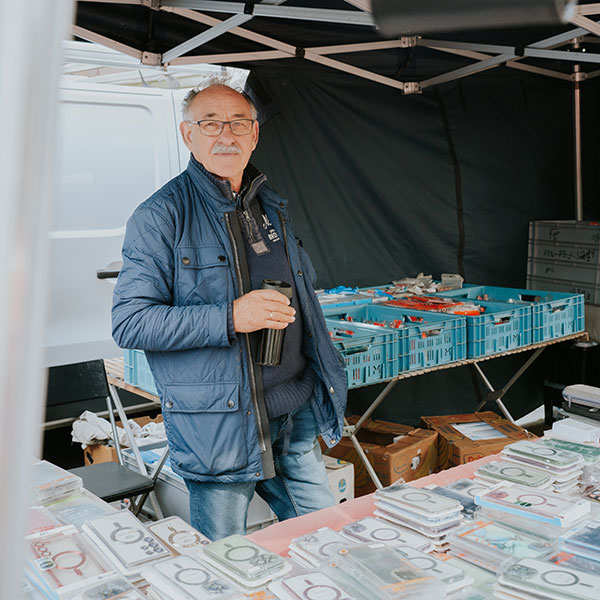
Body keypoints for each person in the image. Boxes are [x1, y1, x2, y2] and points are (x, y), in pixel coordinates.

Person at [111, 80, 348, 540]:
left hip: (293, 413)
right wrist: (230, 317)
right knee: (227, 557)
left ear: (255, 134)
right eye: (211, 123)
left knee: (328, 541)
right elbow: (131, 321)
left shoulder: (270, 205)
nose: (227, 135)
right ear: (187, 135)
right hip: (221, 425)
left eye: (239, 123)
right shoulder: (161, 215)